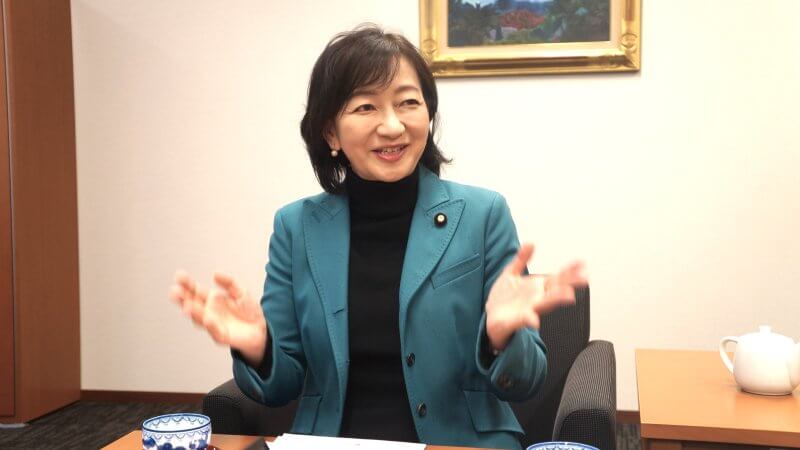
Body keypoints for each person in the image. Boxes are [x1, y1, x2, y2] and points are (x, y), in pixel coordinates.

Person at [169, 25, 586, 450]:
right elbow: (279, 388)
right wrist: (259, 348)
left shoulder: (483, 215)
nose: (392, 125)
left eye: (408, 103)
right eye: (366, 107)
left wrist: (502, 338)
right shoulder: (296, 227)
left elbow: (526, 382)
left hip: (458, 442)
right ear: (330, 133)